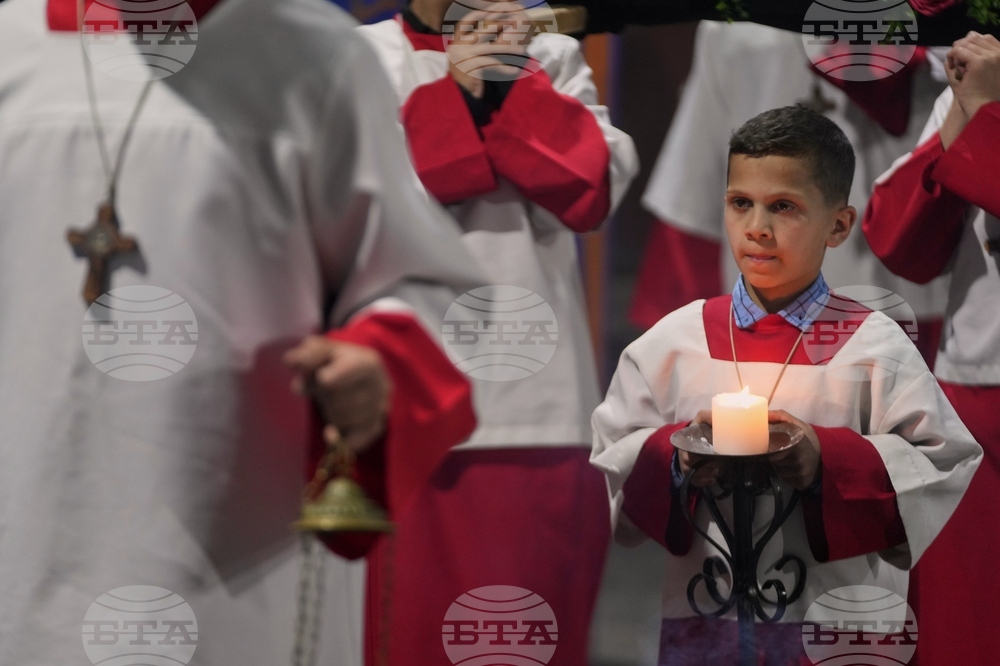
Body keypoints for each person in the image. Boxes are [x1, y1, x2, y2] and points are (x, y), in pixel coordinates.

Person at [0, 0, 487, 664]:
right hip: (23, 542)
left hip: (237, 559)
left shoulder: (318, 58)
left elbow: (428, 287)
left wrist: (379, 360)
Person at [592, 105, 981, 664]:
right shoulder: (674, 342)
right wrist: (677, 460)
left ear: (839, 225)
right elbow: (613, 459)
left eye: (784, 207)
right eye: (740, 203)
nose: (757, 227)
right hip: (707, 614)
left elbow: (942, 465)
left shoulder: (874, 346)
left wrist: (827, 460)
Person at [355, 2, 638, 663]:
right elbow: (367, 205)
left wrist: (507, 84)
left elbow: (590, 189)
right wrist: (454, 95)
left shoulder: (554, 58)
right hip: (400, 404)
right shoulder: (361, 57)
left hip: (535, 409)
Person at [633, 20, 950, 366]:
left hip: (922, 296)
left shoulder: (943, 21)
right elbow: (696, 194)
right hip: (768, 316)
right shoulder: (736, 27)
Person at [862, 30, 1000, 666]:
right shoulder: (990, 74)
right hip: (974, 400)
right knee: (962, 633)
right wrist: (958, 125)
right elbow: (898, 243)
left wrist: (988, 115)